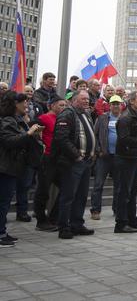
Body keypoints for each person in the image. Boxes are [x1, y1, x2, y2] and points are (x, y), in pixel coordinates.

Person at [0, 91, 43, 246]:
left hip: (12, 166)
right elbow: (9, 141)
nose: (27, 105)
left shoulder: (17, 119)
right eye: (24, 102)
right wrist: (29, 134)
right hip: (5, 167)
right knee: (3, 201)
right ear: (14, 104)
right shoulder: (7, 120)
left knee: (5, 201)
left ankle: (2, 230)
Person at [53, 90, 97, 239]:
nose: (86, 101)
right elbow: (62, 139)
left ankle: (77, 224)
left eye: (88, 99)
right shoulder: (67, 114)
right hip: (72, 162)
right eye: (83, 99)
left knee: (81, 195)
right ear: (74, 99)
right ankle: (64, 227)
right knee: (68, 196)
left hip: (86, 162)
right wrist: (77, 155)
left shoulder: (86, 114)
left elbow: (90, 134)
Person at [114, 92, 137, 233]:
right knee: (124, 192)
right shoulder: (125, 118)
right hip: (125, 159)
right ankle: (121, 223)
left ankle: (132, 220)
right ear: (132, 101)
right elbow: (123, 139)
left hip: (134, 158)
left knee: (133, 190)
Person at [34, 97, 67, 231]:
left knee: (66, 187)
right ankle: (41, 221)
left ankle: (53, 218)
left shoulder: (63, 119)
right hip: (47, 158)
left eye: (65, 105)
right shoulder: (43, 118)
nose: (63, 108)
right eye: (60, 105)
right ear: (52, 105)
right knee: (43, 190)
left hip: (59, 159)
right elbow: (35, 135)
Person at [91, 95, 124, 220]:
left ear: (121, 105)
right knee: (98, 184)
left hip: (119, 157)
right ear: (109, 105)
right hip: (104, 157)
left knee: (119, 185)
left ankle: (116, 210)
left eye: (118, 103)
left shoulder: (124, 118)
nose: (115, 106)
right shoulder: (103, 118)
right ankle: (95, 210)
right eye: (113, 104)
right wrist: (98, 151)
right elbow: (95, 134)